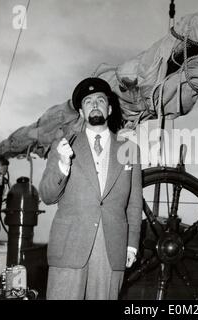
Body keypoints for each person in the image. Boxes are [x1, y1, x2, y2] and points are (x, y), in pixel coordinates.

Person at [39, 77, 142, 300]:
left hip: (111, 249)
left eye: (100, 100)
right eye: (88, 102)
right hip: (69, 246)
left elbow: (134, 203)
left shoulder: (130, 149)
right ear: (82, 112)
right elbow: (46, 196)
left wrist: (131, 245)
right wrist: (63, 165)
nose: (94, 104)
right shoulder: (63, 144)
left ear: (110, 108)